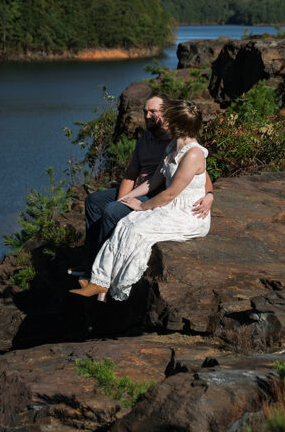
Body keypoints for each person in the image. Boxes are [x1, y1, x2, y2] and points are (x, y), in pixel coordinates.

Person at [70, 99, 211, 301]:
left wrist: (142, 206)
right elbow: (153, 182)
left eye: (168, 119)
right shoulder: (172, 147)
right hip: (171, 205)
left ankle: (107, 284)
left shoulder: (194, 154)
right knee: (126, 224)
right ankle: (99, 282)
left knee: (134, 230)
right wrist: (127, 198)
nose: (164, 122)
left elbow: (171, 193)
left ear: (178, 125)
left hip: (188, 212)